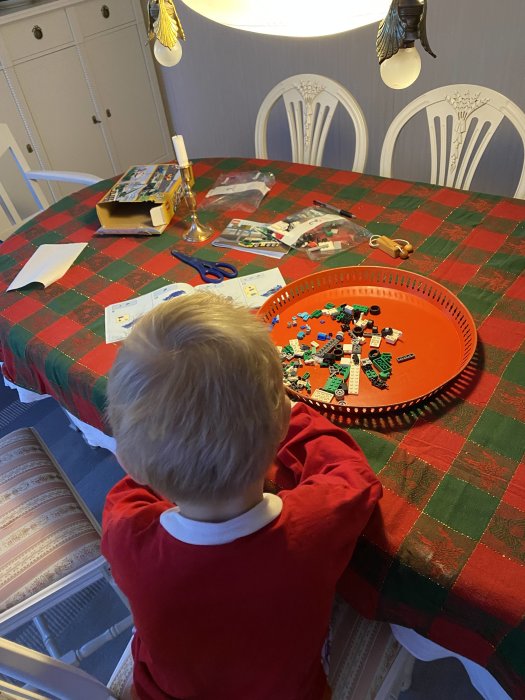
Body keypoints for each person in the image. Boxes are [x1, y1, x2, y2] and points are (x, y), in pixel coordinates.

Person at [102, 293, 382, 700]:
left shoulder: (126, 533)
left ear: (129, 462)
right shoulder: (316, 524)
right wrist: (294, 416)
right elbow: (352, 476)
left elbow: (133, 486)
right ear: (282, 421)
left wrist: (167, 445)